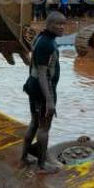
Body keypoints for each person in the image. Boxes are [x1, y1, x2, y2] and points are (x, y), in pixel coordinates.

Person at [21, 11, 66, 173]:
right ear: (49, 25)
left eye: (63, 24)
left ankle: (24, 157)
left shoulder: (41, 37)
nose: (62, 27)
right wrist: (50, 101)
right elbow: (42, 73)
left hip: (32, 86)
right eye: (58, 24)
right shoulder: (47, 43)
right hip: (42, 89)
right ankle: (41, 165)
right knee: (44, 128)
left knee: (34, 122)